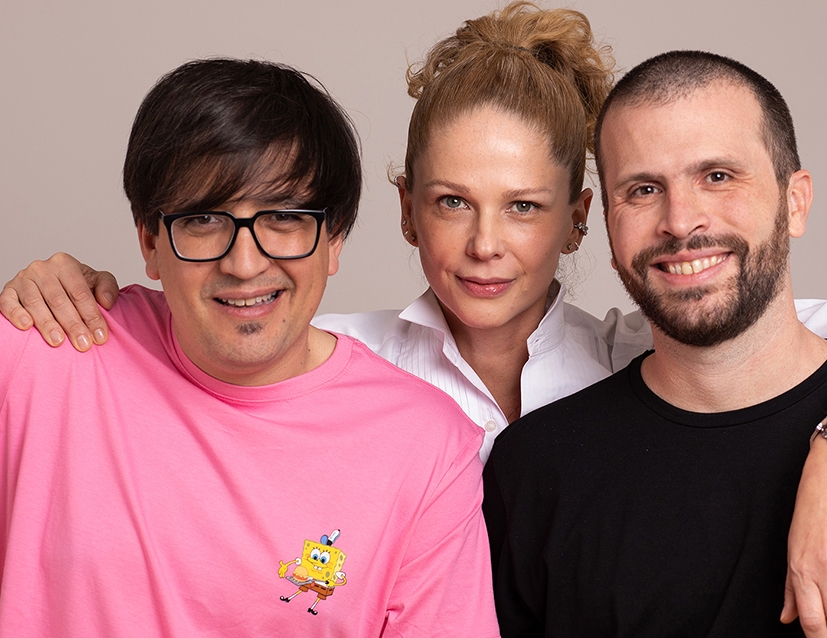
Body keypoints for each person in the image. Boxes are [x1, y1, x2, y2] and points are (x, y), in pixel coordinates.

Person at [2, 3, 827, 635]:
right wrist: (77, 295)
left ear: (578, 219)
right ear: (405, 212)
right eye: (453, 203)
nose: (486, 245)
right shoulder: (332, 359)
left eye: (525, 207)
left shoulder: (641, 352)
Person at [0, 57, 498, 637]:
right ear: (150, 242)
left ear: (334, 240)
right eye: (204, 219)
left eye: (283, 217)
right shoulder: (44, 351)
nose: (244, 263)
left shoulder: (427, 447)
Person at [482, 49, 827, 637]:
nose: (681, 221)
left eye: (717, 176)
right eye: (643, 189)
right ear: (607, 226)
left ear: (795, 201)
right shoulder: (532, 471)